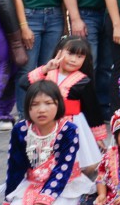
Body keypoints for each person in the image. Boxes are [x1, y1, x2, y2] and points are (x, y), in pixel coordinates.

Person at [0, 80, 95, 205]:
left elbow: (62, 171)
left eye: (48, 103)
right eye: (34, 104)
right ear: (27, 108)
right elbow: (14, 168)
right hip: (32, 183)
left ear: (58, 105)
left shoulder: (68, 130)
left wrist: (41, 203)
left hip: (64, 186)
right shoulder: (21, 129)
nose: (41, 109)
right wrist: (6, 204)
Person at [25, 36, 106, 170]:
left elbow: (92, 109)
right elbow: (24, 84)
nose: (74, 60)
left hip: (72, 123)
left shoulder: (83, 81)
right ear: (59, 51)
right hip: (45, 122)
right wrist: (45, 68)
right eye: (70, 53)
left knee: (71, 158)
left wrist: (98, 137)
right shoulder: (47, 73)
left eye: (80, 56)